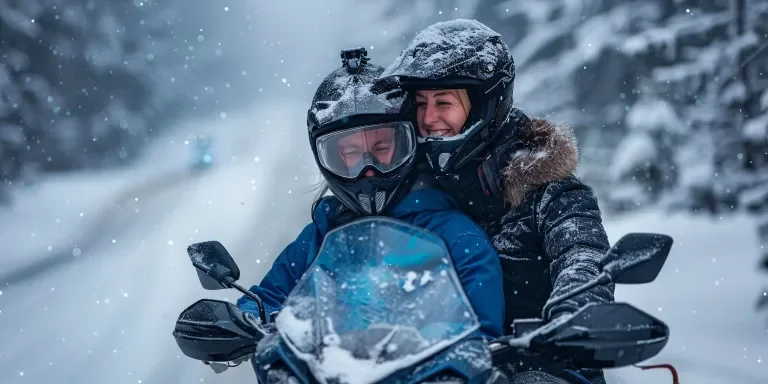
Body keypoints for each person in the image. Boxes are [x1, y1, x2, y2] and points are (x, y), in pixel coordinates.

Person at [380, 19, 613, 384]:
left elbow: (583, 255)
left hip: (544, 368)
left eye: (443, 102)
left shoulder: (552, 194)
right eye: (421, 103)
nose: (428, 118)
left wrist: (573, 307)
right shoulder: (411, 191)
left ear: (484, 107)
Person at [236, 48, 505, 342]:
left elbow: (483, 340)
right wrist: (239, 321)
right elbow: (266, 299)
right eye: (350, 153)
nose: (368, 169)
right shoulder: (321, 233)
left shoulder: (456, 237)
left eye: (382, 149)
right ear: (325, 158)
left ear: (409, 143)